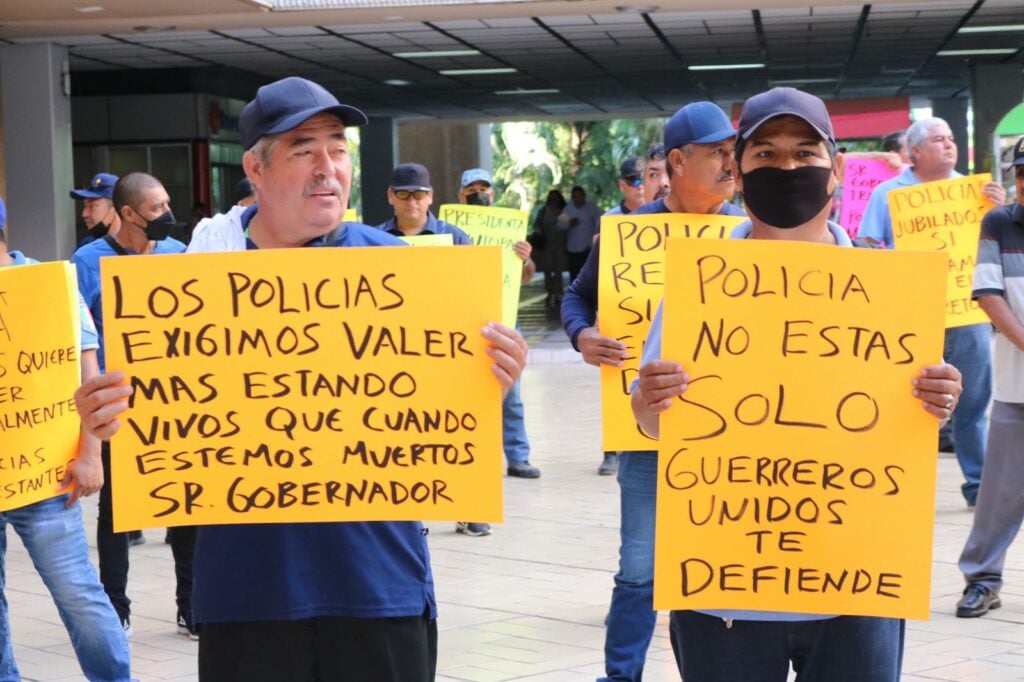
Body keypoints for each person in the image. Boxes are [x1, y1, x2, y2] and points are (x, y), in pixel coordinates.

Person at [73, 76, 528, 682]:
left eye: (338, 148)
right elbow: (159, 423)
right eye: (303, 149)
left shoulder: (411, 272)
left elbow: (442, 420)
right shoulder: (185, 291)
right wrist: (106, 417)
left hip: (380, 588)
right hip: (248, 598)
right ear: (256, 170)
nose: (328, 167)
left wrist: (488, 379)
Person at [631, 86, 964, 682]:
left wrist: (938, 401)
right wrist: (647, 402)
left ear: (835, 168)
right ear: (739, 168)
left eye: (804, 153)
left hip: (856, 589)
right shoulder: (695, 287)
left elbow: (913, 417)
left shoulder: (889, 290)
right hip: (722, 592)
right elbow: (656, 425)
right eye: (767, 154)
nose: (787, 167)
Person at [561, 100, 745, 681]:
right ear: (676, 162)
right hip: (646, 434)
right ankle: (620, 676)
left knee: (718, 562)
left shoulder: (751, 229)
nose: (729, 162)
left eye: (732, 151)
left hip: (735, 432)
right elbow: (576, 299)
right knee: (639, 566)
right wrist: (583, 335)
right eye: (716, 151)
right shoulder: (629, 237)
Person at [0, 196, 132, 681]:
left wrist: (91, 453)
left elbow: (87, 369)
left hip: (46, 471)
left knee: (78, 591)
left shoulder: (47, 282)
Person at [70, 172, 195, 638]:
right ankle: (114, 607)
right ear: (128, 214)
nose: (167, 216)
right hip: (118, 404)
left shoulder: (177, 256)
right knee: (117, 511)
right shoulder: (87, 263)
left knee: (185, 507)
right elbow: (78, 335)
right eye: (158, 208)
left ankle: (191, 602)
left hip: (174, 401)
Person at [859, 117, 1006, 508]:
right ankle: (888, 483)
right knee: (900, 400)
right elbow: (867, 246)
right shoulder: (887, 194)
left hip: (964, 310)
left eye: (952, 138)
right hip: (908, 313)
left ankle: (980, 486)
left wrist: (1003, 210)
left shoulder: (976, 193)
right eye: (939, 140)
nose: (949, 145)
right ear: (917, 151)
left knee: (973, 401)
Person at [955, 137, 1024, 618]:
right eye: (1022, 173)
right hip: (1016, 388)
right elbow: (987, 291)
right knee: (999, 493)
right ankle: (982, 579)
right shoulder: (999, 222)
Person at [454, 168, 541, 537]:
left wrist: (526, 258)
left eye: (484, 188)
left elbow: (525, 278)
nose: (479, 194)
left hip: (504, 320)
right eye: (472, 189)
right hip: (462, 323)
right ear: (461, 196)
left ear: (493, 193)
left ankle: (518, 457)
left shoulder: (508, 229)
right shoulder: (449, 230)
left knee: (512, 394)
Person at [376, 162, 471, 243]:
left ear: (430, 196)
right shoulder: (374, 238)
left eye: (419, 194)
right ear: (390, 195)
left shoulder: (456, 238)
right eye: (403, 194)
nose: (411, 202)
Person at [533, 189, 568, 307]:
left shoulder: (564, 211)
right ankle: (550, 292)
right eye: (551, 198)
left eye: (555, 198)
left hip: (559, 245)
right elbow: (536, 225)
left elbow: (567, 227)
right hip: (546, 245)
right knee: (547, 271)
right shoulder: (543, 211)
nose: (553, 200)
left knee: (558, 271)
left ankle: (559, 293)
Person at [559, 186, 601, 282]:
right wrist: (569, 222)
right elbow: (559, 225)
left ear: (584, 196)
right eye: (575, 197)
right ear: (572, 197)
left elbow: (598, 225)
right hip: (572, 248)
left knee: (589, 276)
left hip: (588, 248)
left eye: (579, 196)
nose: (577, 199)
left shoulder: (592, 208)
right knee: (574, 276)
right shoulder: (567, 209)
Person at [71, 172, 121, 250]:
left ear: (116, 209)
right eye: (85, 206)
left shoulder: (140, 246)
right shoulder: (85, 247)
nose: (84, 214)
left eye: (93, 206)